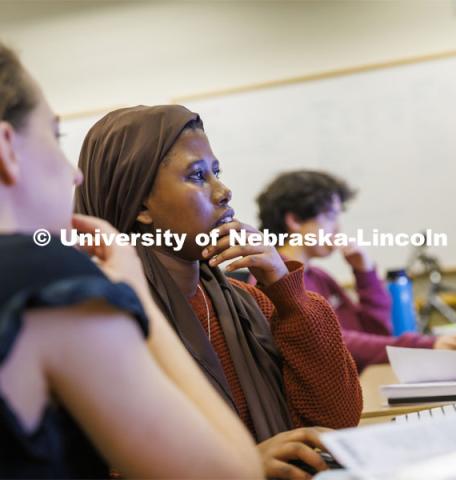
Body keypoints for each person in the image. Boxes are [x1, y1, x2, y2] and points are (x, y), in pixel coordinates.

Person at [0, 42, 262, 479]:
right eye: (54, 136)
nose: (74, 174)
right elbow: (233, 473)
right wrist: (132, 294)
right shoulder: (45, 280)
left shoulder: (240, 295)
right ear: (7, 148)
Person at [75, 105, 363, 480]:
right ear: (140, 205)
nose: (224, 192)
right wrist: (234, 469)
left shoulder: (246, 301)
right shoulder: (102, 322)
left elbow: (336, 422)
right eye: (197, 176)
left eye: (217, 172)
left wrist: (285, 289)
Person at [256, 170, 456, 372]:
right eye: (331, 215)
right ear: (295, 220)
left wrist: (365, 273)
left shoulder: (319, 277)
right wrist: (425, 346)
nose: (338, 228)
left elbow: (377, 332)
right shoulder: (275, 280)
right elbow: (331, 343)